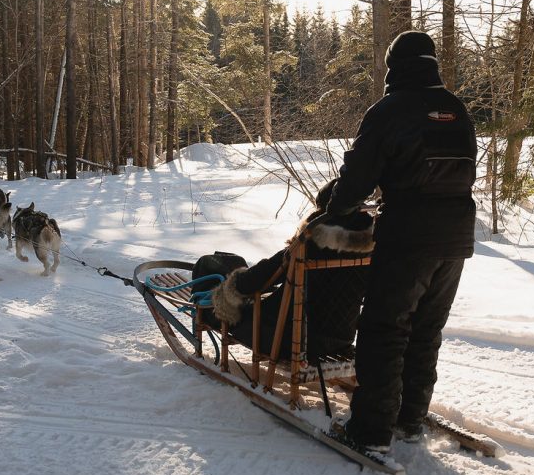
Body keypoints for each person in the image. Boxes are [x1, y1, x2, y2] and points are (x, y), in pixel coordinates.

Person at [321, 30, 477, 453]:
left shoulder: (389, 110)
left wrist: (336, 208)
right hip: (457, 237)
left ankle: (370, 431)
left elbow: (358, 175)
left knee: (383, 330)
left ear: (394, 67)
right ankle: (409, 417)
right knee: (426, 329)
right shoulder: (456, 110)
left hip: (409, 234)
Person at [202, 193, 374, 364]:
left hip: (286, 340)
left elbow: (259, 277)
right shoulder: (369, 251)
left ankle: (202, 309)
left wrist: (230, 289)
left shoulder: (307, 245)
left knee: (221, 306)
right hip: (342, 340)